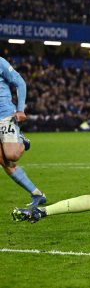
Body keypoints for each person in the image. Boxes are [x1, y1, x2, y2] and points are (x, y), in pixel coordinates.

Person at [0, 56, 43, 206]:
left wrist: (20, 110)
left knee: (12, 155)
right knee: (2, 160)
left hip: (5, 114)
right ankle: (37, 194)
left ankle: (21, 141)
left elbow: (20, 83)